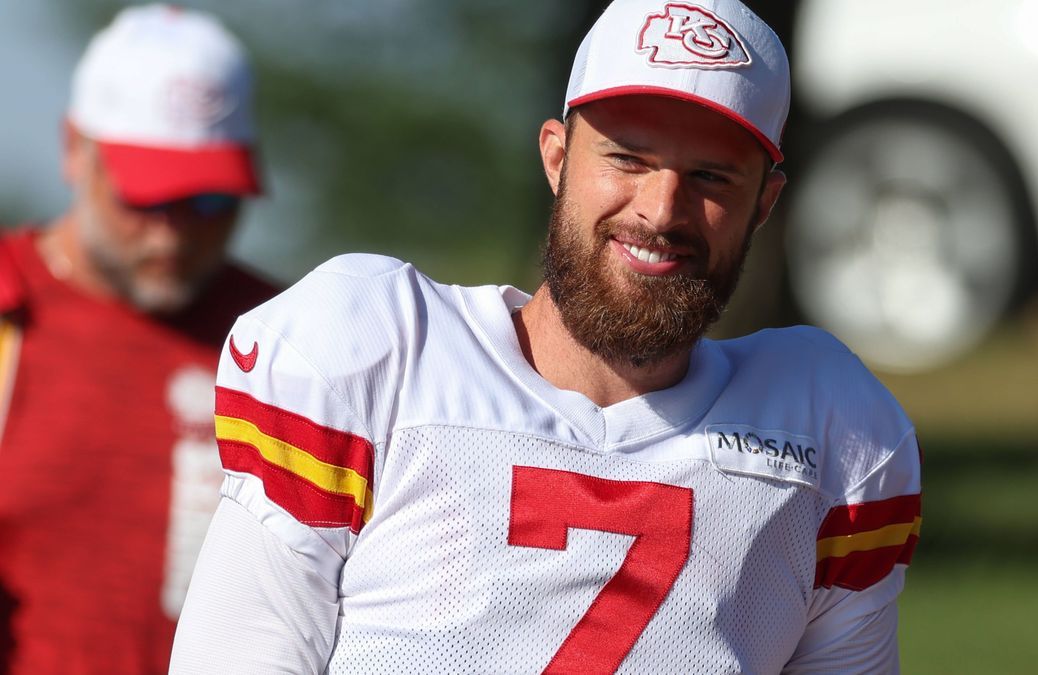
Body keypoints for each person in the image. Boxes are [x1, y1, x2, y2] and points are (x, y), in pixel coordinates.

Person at [171, 0, 921, 672]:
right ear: (557, 158)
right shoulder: (377, 357)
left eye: (712, 177)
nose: (661, 210)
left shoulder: (834, 438)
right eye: (628, 157)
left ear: (765, 204)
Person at [0, 5, 278, 673]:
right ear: (75, 150)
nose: (174, 232)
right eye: (147, 197)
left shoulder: (288, 341)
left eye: (209, 202)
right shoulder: (10, 308)